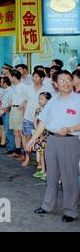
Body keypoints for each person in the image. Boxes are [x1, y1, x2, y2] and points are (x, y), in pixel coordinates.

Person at [29, 70, 80, 223]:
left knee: (69, 177)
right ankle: (47, 205)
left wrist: (70, 129)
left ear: (72, 82)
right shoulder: (53, 101)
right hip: (51, 141)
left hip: (70, 141)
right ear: (56, 84)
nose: (65, 83)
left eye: (68, 80)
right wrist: (33, 139)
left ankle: (70, 211)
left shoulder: (78, 100)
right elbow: (43, 122)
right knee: (51, 176)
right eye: (61, 81)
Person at [21, 70, 47, 167]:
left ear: (42, 78)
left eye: (36, 77)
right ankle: (27, 158)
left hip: (40, 120)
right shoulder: (28, 88)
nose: (34, 78)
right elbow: (25, 102)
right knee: (27, 138)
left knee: (40, 140)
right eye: (33, 76)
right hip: (28, 117)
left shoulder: (46, 89)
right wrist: (23, 116)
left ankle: (40, 163)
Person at [31, 92, 52, 181]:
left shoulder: (50, 110)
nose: (40, 101)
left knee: (47, 154)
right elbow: (35, 121)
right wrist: (36, 129)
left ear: (48, 100)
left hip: (47, 134)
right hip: (39, 133)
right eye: (39, 98)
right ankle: (43, 170)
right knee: (41, 153)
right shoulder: (38, 110)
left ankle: (48, 172)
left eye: (42, 99)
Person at [8, 69, 27, 160]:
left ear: (14, 76)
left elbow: (27, 98)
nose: (9, 78)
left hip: (20, 110)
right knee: (15, 132)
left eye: (10, 76)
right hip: (13, 109)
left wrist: (23, 106)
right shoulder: (13, 86)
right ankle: (17, 151)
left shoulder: (23, 86)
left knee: (21, 132)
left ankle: (25, 154)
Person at [0, 77, 16, 154]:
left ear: (5, 83)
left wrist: (8, 108)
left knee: (8, 131)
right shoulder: (5, 91)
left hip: (8, 112)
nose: (0, 84)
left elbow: (12, 101)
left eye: (1, 82)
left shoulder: (10, 91)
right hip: (4, 112)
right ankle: (10, 146)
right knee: (6, 130)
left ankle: (11, 148)